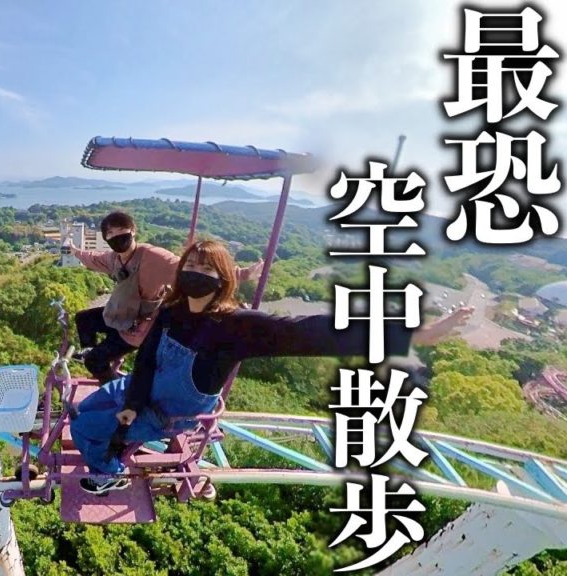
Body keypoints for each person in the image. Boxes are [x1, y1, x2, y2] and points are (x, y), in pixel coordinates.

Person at [68, 239, 474, 495]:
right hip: (143, 392)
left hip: (169, 413)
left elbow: (313, 331)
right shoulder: (173, 312)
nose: (196, 274)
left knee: (86, 428)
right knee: (86, 411)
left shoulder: (236, 327)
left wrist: (415, 334)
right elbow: (145, 362)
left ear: (223, 280)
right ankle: (112, 438)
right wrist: (131, 401)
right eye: (190, 266)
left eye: (207, 270)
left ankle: (109, 470)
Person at [66, 211, 263, 383]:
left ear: (133, 231)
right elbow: (92, 258)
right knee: (84, 319)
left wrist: (243, 274)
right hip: (119, 314)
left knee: (95, 361)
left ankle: (112, 388)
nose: (116, 237)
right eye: (110, 233)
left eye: (121, 231)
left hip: (138, 326)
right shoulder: (113, 258)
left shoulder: (153, 257)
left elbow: (189, 268)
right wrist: (75, 251)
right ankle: (92, 353)